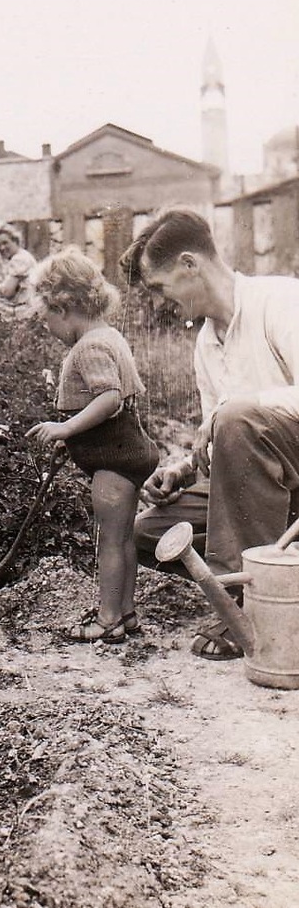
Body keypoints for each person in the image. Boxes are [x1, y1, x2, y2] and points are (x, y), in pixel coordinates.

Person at [120, 206, 299, 661]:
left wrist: (228, 411)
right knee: (154, 534)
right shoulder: (206, 342)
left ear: (189, 264)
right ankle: (278, 565)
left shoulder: (280, 301)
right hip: (263, 490)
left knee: (236, 416)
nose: (158, 304)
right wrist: (183, 470)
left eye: (159, 288)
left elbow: (233, 421)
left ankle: (244, 605)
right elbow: (223, 444)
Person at [26, 247, 159, 643]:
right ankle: (126, 613)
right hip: (125, 452)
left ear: (63, 307)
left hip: (114, 460)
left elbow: (109, 398)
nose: (48, 328)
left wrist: (66, 427)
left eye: (46, 318)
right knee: (123, 538)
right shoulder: (108, 335)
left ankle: (108, 619)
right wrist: (74, 436)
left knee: (109, 542)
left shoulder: (89, 347)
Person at [0, 223, 37, 310]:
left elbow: (8, 293)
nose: (2, 248)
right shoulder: (21, 255)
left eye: (5, 243)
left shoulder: (20, 259)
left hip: (25, 307)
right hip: (24, 304)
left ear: (15, 241)